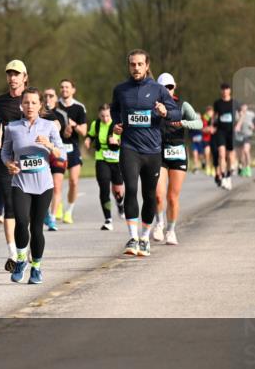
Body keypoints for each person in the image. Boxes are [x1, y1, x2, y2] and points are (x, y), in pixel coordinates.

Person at [110, 49, 180, 257]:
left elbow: (176, 111)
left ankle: (145, 238)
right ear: (129, 65)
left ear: (147, 65)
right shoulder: (121, 90)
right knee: (131, 189)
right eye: (133, 64)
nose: (136, 68)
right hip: (130, 148)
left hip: (152, 150)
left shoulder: (158, 90)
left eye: (140, 64)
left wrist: (165, 112)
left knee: (149, 196)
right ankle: (132, 237)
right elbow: (115, 110)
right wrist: (116, 124)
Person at [2, 87, 65, 284]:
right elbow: (5, 152)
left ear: (40, 105)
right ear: (21, 105)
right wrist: (8, 164)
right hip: (20, 183)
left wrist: (49, 145)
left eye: (34, 102)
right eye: (26, 102)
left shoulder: (49, 127)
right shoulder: (12, 127)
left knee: (37, 228)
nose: (30, 106)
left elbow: (61, 155)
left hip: (43, 185)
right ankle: (21, 260)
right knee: (21, 222)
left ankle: (36, 268)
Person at [151, 73, 201, 245]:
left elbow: (199, 123)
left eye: (170, 87)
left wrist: (183, 123)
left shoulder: (183, 105)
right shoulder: (152, 106)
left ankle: (171, 231)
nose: (167, 90)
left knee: (172, 197)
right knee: (158, 195)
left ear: (175, 87)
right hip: (158, 152)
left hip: (177, 152)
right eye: (164, 87)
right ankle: (159, 223)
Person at [0, 60, 28, 271]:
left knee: (27, 209)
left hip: (30, 160)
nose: (12, 78)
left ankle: (26, 245)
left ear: (24, 77)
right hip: (7, 160)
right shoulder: (0, 102)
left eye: (16, 74)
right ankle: (13, 253)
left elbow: (50, 121)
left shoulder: (31, 99)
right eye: (9, 74)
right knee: (10, 205)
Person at [85, 103, 124, 231]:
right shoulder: (95, 124)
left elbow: (126, 141)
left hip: (116, 161)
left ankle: (120, 204)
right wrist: (88, 140)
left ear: (111, 114)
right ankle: (108, 219)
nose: (105, 118)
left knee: (118, 190)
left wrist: (117, 142)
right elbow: (90, 135)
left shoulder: (117, 125)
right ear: (99, 115)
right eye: (102, 116)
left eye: (107, 116)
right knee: (104, 189)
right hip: (101, 159)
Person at [56, 79, 88, 224]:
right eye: (62, 87)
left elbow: (84, 131)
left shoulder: (79, 107)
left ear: (73, 90)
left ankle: (69, 211)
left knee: (74, 181)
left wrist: (74, 125)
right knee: (57, 183)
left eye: (67, 87)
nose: (64, 90)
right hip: (57, 148)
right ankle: (58, 204)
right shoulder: (55, 106)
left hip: (73, 148)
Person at [41, 88, 69, 232]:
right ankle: (44, 211)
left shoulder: (61, 114)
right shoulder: (35, 113)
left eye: (51, 96)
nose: (48, 98)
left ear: (56, 98)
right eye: (45, 96)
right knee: (43, 186)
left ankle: (52, 217)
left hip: (58, 151)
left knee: (57, 186)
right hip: (42, 153)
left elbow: (61, 130)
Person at [211, 83, 238, 190]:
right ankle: (222, 176)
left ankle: (228, 175)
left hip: (231, 131)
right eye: (223, 89)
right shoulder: (217, 103)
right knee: (221, 154)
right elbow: (214, 116)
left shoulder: (234, 102)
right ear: (221, 91)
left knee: (230, 155)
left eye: (226, 89)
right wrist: (212, 126)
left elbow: (241, 113)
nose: (224, 91)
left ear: (229, 90)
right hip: (220, 131)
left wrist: (238, 124)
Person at [235, 103, 255, 178]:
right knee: (241, 154)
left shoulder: (251, 114)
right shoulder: (237, 115)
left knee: (246, 151)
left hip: (247, 135)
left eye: (245, 108)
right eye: (243, 108)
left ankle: (248, 168)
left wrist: (253, 126)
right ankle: (243, 168)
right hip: (239, 136)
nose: (244, 109)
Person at [201, 105, 215, 177]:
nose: (210, 113)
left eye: (211, 111)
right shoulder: (204, 118)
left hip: (213, 139)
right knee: (207, 153)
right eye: (208, 111)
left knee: (213, 154)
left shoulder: (215, 118)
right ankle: (207, 167)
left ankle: (213, 168)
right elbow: (203, 129)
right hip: (206, 138)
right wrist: (209, 129)